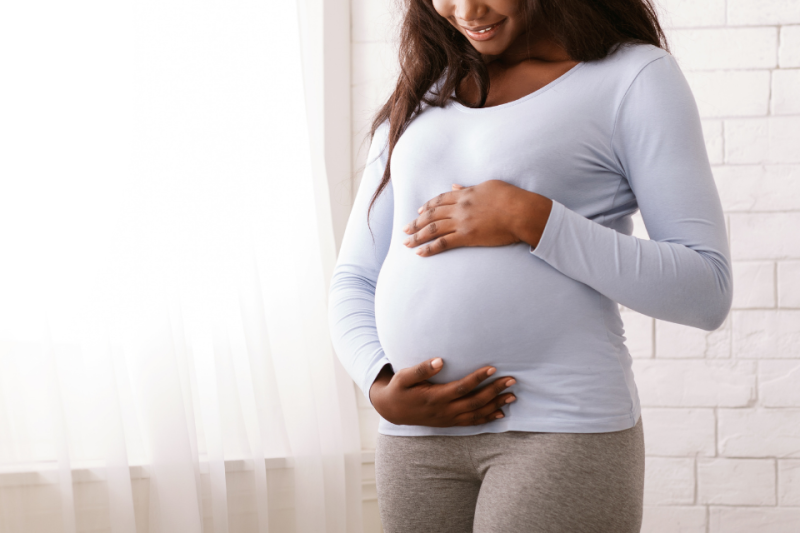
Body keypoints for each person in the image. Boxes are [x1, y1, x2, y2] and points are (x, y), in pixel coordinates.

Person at [328, 0, 732, 530]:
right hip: (417, 442)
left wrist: (532, 218)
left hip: (561, 431)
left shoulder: (631, 78)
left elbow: (706, 289)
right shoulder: (423, 93)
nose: (466, 9)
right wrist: (378, 383)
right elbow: (355, 277)